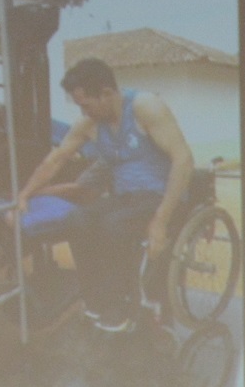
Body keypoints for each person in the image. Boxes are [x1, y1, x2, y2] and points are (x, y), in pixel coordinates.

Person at [17, 57, 201, 333]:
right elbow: (56, 159)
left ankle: (121, 304)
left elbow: (184, 159)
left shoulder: (145, 107)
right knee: (77, 219)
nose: (83, 112)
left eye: (86, 105)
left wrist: (161, 221)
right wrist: (25, 194)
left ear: (106, 93)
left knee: (111, 226)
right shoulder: (90, 123)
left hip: (162, 196)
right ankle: (97, 300)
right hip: (127, 199)